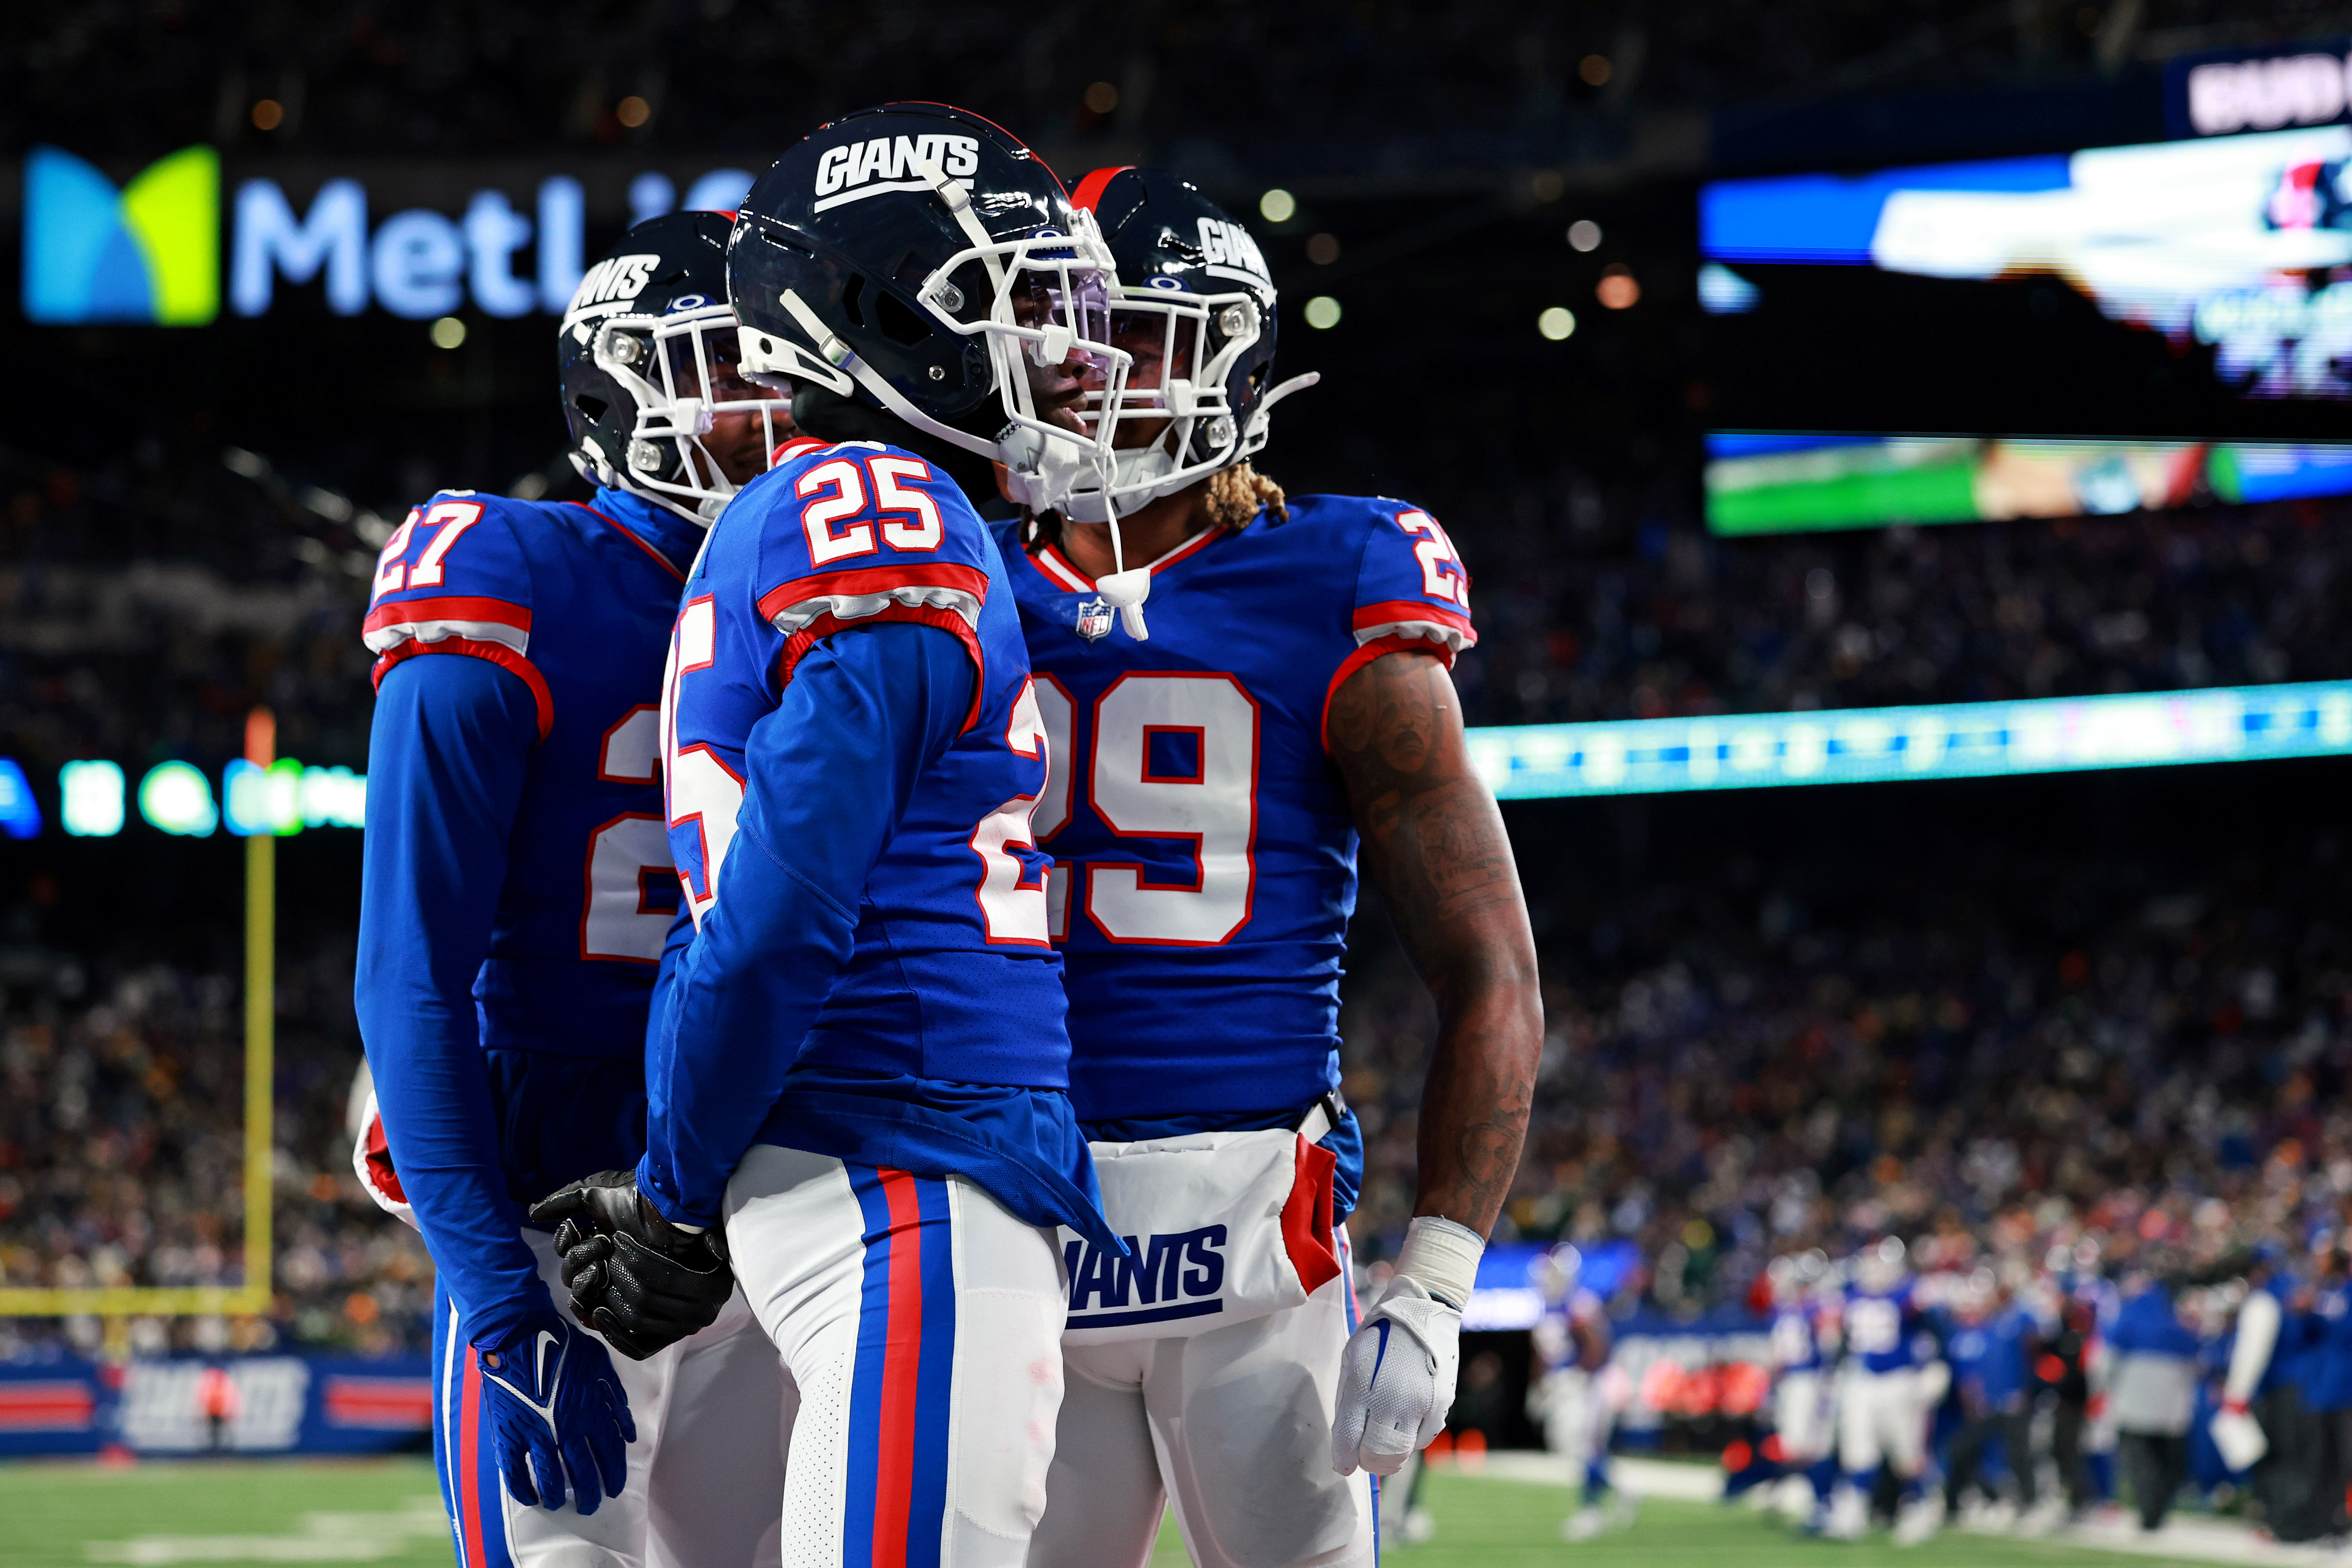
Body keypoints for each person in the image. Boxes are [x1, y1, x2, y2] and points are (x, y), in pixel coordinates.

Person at [545, 103, 1132, 1568]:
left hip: (863, 1161)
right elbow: (778, 905)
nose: (1053, 351)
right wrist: (674, 1192)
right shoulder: (882, 508)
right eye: (1005, 304)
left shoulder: (794, 513)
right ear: (878, 308)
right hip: (906, 1166)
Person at [997, 166, 1542, 1568]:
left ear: (1233, 353)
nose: (1094, 368)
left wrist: (1432, 1286)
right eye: (1064, 328)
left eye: (1137, 331)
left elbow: (1488, 969)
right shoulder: (950, 573)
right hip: (1003, 1235)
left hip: (1252, 1247)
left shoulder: (1340, 573)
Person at [354, 210, 792, 1568]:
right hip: (560, 1182)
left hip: (783, 1180)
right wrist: (497, 1302)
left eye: (785, 366)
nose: (769, 406)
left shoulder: (850, 583)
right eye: (727, 366)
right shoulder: (511, 571)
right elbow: (407, 973)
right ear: (618, 392)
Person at [1824, 1237, 1943, 1544]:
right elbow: (1843, 1340)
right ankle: (1854, 1511)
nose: (1874, 1270)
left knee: (1906, 1452)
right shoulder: (1850, 1293)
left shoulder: (1909, 1294)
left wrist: (1935, 1365)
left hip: (1899, 1379)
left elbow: (1937, 1330)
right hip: (1861, 1380)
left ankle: (1918, 1508)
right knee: (1858, 1451)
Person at [1530, 1246, 1635, 1541]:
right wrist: (1541, 1384)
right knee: (1569, 1447)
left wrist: (1578, 1375)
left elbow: (1596, 1346)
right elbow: (1544, 1354)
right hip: (1564, 1386)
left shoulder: (1578, 1303)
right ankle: (1624, 1491)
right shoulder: (1546, 1306)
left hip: (1586, 1385)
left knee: (1583, 1448)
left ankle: (1591, 1510)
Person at [2107, 1266, 2202, 1531]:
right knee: (2164, 1464)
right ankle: (2158, 1511)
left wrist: (2106, 1392)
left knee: (2141, 1464)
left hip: (2135, 1404)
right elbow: (2196, 1361)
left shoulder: (2131, 1315)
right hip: (2170, 1408)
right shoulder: (2180, 1323)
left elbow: (2110, 1356)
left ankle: (2149, 1514)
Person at [1942, 1270, 2037, 1525]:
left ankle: (2029, 1502)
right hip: (1981, 1405)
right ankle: (1980, 1498)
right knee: (1965, 1451)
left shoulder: (2007, 1323)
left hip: (2010, 1399)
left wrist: (2021, 1390)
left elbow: (2029, 1350)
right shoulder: (1967, 1333)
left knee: (2018, 1454)